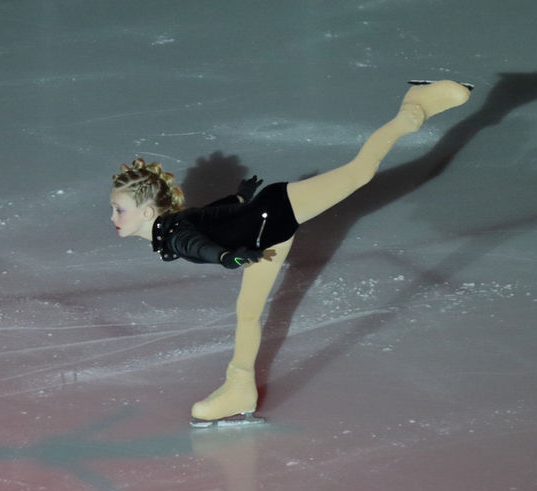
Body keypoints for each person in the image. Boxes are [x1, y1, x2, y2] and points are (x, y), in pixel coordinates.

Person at [110, 80, 471, 426]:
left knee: (359, 173)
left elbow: (196, 245)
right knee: (248, 313)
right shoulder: (173, 223)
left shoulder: (173, 234)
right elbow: (207, 216)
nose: (113, 217)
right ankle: (240, 388)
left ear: (147, 212)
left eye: (119, 210)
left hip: (278, 210)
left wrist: (224, 257)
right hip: (264, 241)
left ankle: (410, 110)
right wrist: (238, 199)